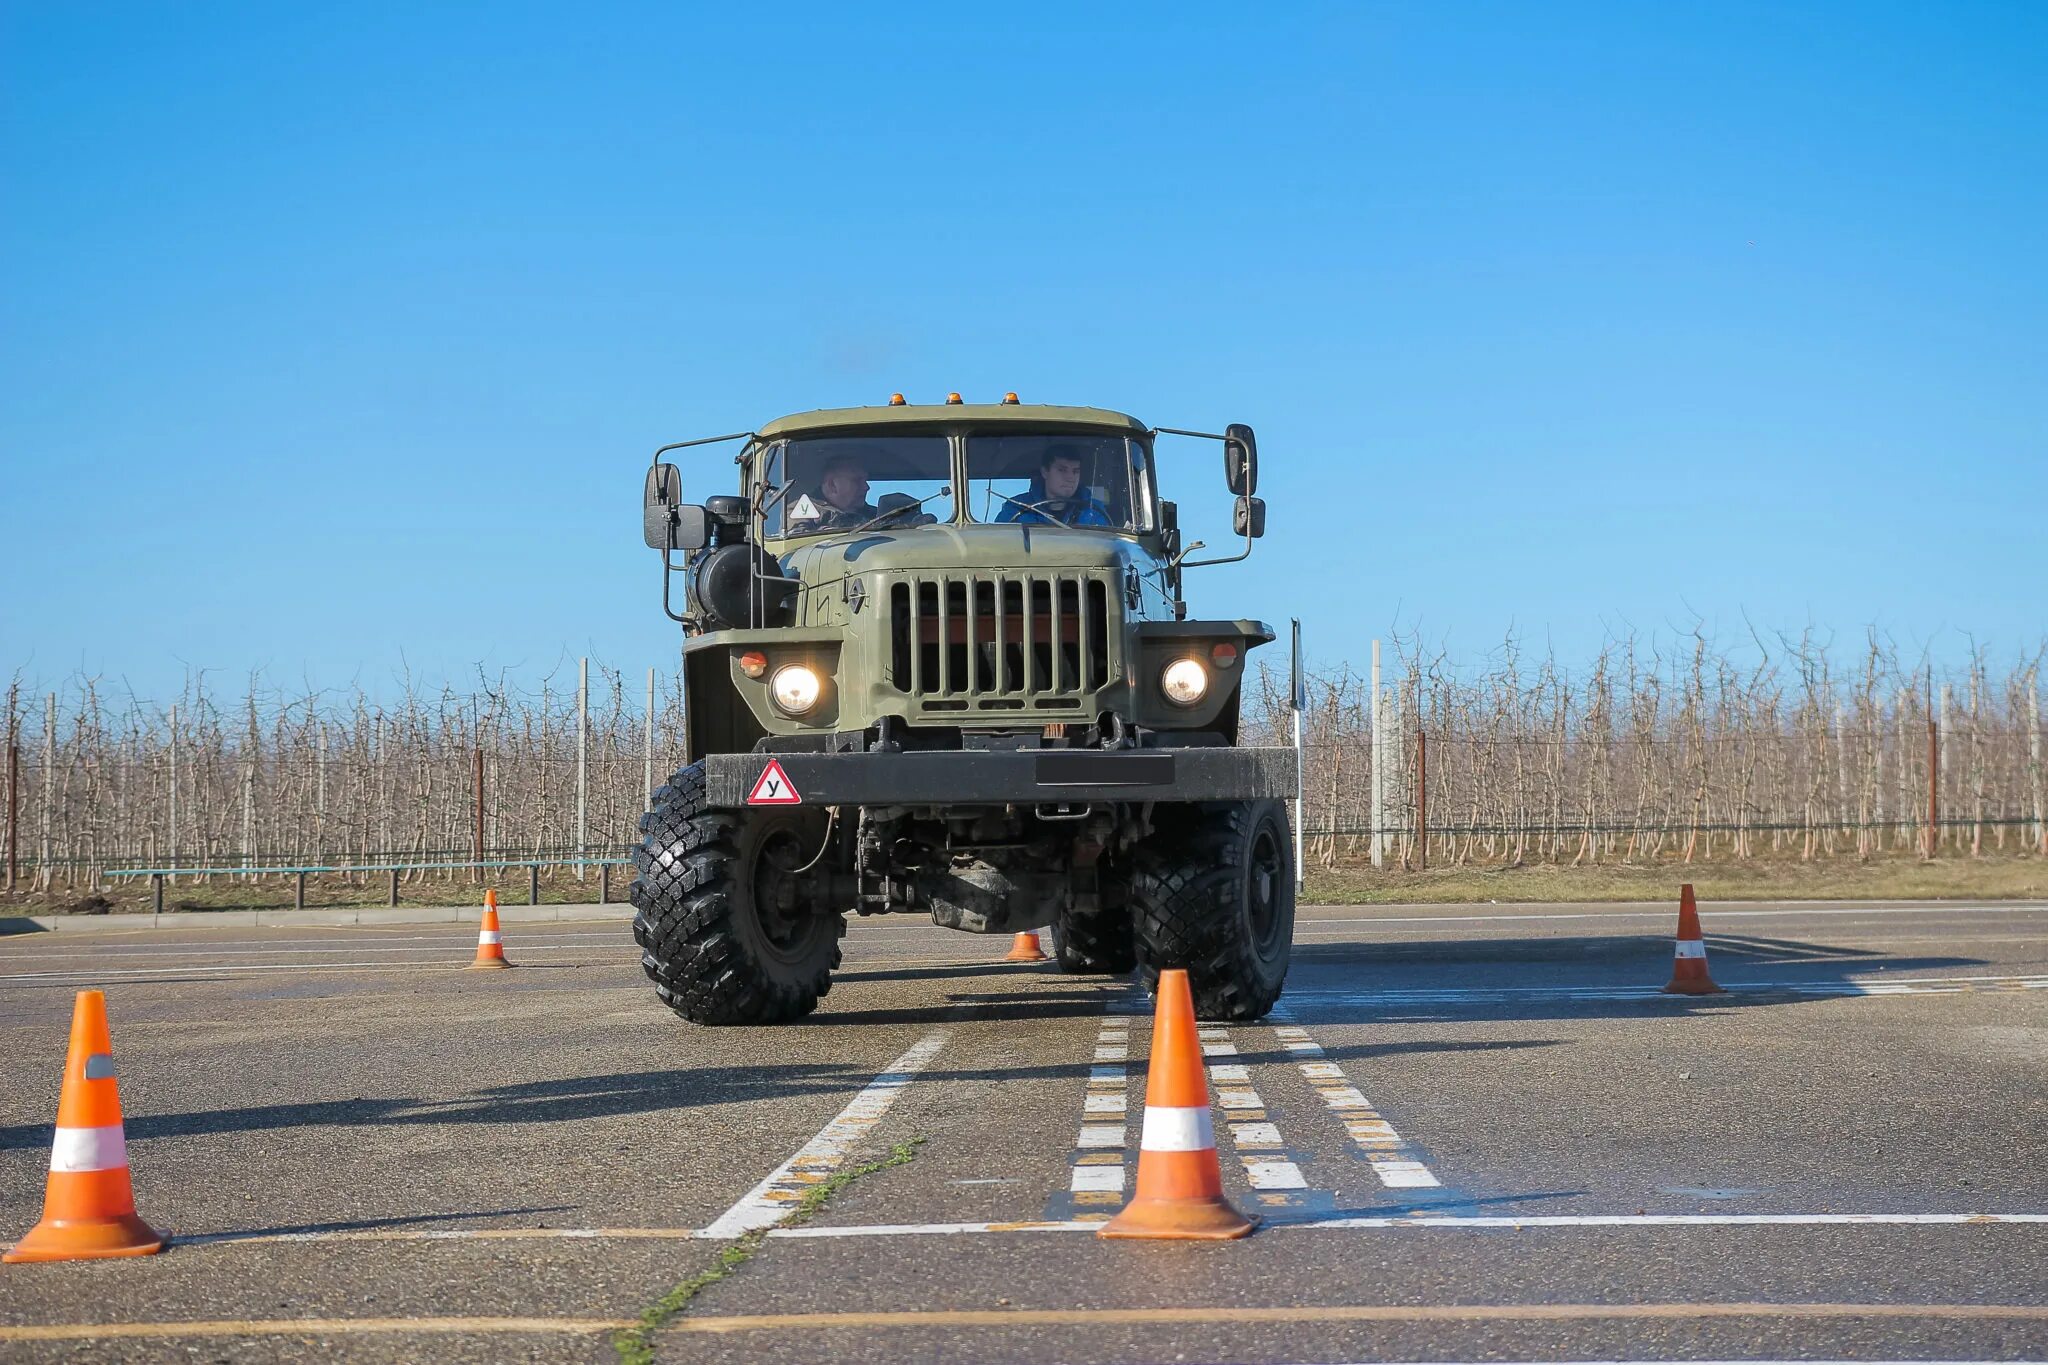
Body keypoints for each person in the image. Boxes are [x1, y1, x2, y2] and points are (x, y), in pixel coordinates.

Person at [995, 445, 1113, 527]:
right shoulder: (1016, 509)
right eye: (1062, 470)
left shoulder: (1093, 511)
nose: (1070, 477)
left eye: (1075, 471)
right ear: (1045, 472)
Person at [789, 454, 879, 533]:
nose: (866, 487)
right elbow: (798, 541)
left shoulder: (879, 515)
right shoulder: (802, 509)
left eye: (865, 480)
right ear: (832, 485)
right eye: (857, 480)